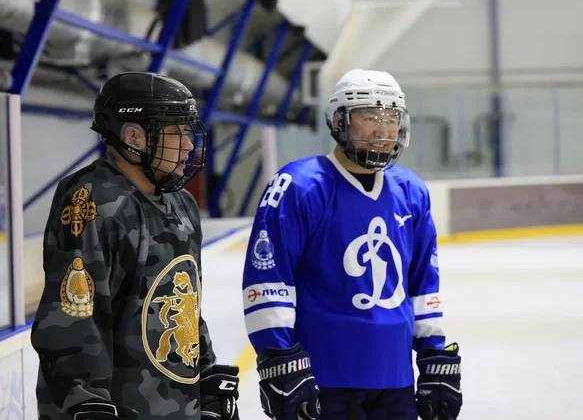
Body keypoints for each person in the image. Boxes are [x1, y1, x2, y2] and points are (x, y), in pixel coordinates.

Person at [241, 69, 463, 419]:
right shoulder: (299, 186)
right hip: (322, 379)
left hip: (396, 379)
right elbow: (269, 281)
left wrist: (433, 352)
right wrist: (278, 357)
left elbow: (423, 284)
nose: (383, 130)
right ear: (339, 121)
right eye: (370, 117)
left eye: (392, 118)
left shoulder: (411, 191)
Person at [31, 71, 240, 420]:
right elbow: (74, 317)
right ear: (134, 138)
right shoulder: (93, 200)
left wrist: (205, 377)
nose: (188, 145)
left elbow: (186, 305)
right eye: (176, 132)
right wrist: (87, 402)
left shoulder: (183, 204)